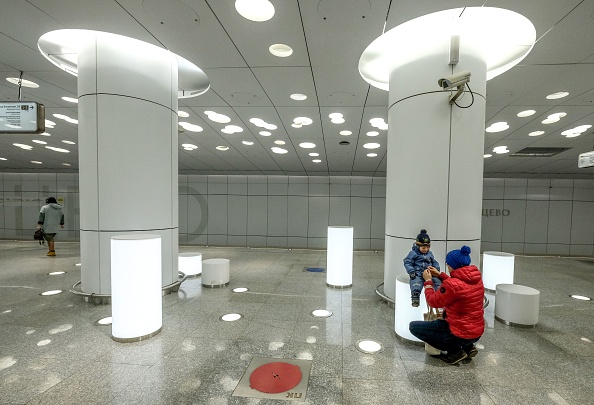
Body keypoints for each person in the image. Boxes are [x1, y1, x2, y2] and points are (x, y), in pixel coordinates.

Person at [408, 245, 484, 365]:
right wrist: (440, 275)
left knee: (414, 327)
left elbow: (433, 301)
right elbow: (458, 285)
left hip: (458, 333)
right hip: (477, 332)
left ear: (451, 265)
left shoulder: (452, 285)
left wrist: (428, 282)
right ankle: (469, 347)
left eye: (448, 263)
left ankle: (455, 351)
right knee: (464, 326)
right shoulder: (476, 279)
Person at [403, 229, 441, 307]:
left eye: (427, 247)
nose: (426, 250)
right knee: (416, 282)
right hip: (418, 273)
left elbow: (434, 262)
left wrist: (436, 269)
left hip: (429, 273)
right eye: (423, 248)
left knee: (437, 281)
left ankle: (440, 296)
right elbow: (407, 262)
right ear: (418, 245)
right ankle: (415, 297)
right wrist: (411, 271)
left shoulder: (430, 254)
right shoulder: (413, 253)